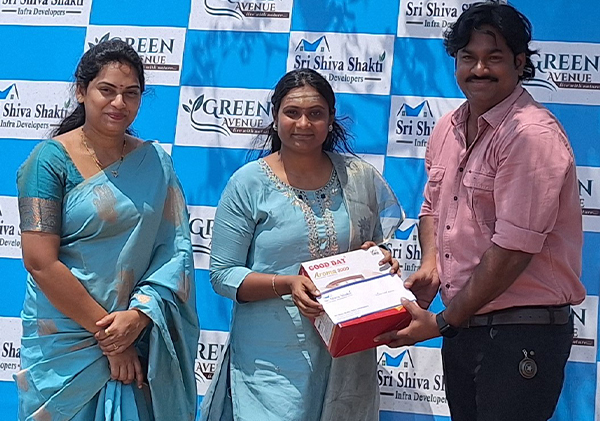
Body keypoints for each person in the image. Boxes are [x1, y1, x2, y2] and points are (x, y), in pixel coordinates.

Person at [375, 3, 587, 421]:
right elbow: (433, 208)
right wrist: (433, 268)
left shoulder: (530, 135)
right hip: (466, 328)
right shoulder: (447, 127)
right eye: (467, 57)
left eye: (494, 58)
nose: (479, 70)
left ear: (520, 62)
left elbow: (513, 249)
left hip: (520, 333)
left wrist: (442, 322)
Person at [201, 68, 404, 421]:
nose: (303, 124)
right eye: (292, 112)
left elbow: (373, 245)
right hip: (269, 361)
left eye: (315, 114)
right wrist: (287, 284)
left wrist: (380, 260)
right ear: (275, 116)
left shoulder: (357, 177)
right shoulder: (248, 184)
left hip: (343, 351)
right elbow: (222, 274)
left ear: (331, 119)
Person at [15, 39, 199, 420]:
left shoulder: (155, 164)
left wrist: (139, 317)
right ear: (81, 92)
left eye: (131, 93)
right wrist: (111, 340)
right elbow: (40, 262)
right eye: (107, 90)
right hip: (65, 345)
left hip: (137, 334)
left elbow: (174, 252)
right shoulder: (47, 163)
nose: (119, 103)